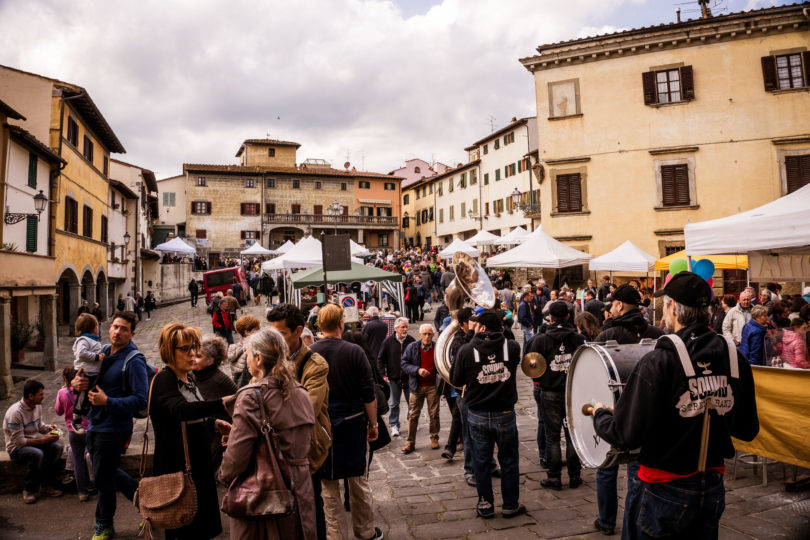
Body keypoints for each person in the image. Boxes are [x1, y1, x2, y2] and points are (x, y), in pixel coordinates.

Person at [592, 271, 758, 539]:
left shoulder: (659, 362)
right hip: (712, 485)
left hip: (662, 487)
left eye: (665, 305)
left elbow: (625, 435)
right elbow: (747, 429)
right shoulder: (733, 357)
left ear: (673, 308)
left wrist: (600, 414)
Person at [218, 328, 317, 539]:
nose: (247, 362)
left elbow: (237, 457)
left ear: (259, 358)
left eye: (248, 355)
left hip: (265, 492)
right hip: (301, 487)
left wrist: (223, 476)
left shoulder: (251, 396)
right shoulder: (301, 392)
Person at [591, 284, 664, 535]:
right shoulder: (657, 333)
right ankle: (636, 520)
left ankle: (607, 521)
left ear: (619, 306)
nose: (610, 309)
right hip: (646, 412)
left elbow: (594, 375)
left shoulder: (606, 336)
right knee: (638, 470)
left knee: (607, 468)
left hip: (613, 410)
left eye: (612, 305)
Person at [71, 311, 148, 540]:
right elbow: (82, 378)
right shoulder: (102, 352)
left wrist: (108, 401)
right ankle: (147, 503)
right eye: (115, 327)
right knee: (104, 472)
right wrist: (76, 383)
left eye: (124, 329)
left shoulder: (134, 360)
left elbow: (142, 400)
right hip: (94, 423)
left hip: (115, 427)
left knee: (102, 477)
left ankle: (104, 525)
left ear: (132, 333)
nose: (117, 332)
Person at [309, 303, 383, 540]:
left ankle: (336, 536)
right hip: (352, 423)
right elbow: (368, 394)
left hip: (322, 426)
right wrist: (373, 425)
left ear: (320, 324)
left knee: (328, 488)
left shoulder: (310, 352)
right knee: (358, 482)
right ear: (341, 323)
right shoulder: (354, 351)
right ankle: (365, 532)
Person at [151, 323, 231, 540]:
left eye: (193, 347)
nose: (192, 353)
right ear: (169, 350)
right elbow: (181, 410)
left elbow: (193, 413)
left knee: (201, 525)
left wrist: (213, 423)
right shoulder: (165, 379)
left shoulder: (187, 378)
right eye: (184, 349)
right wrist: (221, 403)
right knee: (183, 524)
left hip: (197, 463)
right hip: (178, 465)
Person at [266, 303, 331, 540]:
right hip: (276, 450)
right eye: (271, 334)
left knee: (311, 508)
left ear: (298, 331)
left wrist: (267, 414)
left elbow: (306, 411)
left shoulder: (316, 364)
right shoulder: (268, 360)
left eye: (280, 334)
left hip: (308, 449)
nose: (275, 340)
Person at [450, 311, 523, 519]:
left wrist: (471, 337)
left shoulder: (466, 350)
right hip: (505, 413)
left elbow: (456, 379)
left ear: (481, 328)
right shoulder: (512, 346)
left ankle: (485, 504)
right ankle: (510, 505)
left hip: (478, 414)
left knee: (481, 462)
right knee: (509, 460)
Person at [527, 302, 585, 491]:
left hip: (550, 392)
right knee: (572, 436)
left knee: (552, 437)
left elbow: (532, 369)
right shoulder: (578, 339)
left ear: (550, 318)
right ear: (568, 317)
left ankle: (554, 478)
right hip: (572, 392)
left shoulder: (540, 340)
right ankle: (575, 476)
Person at [3, 379, 63, 504]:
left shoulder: (37, 406)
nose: (43, 397)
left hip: (34, 442)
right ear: (31, 396)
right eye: (40, 394)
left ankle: (47, 485)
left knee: (57, 447)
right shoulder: (16, 413)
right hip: (16, 448)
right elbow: (19, 442)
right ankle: (28, 489)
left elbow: (39, 425)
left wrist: (49, 428)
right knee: (36, 454)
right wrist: (42, 440)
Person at [193, 335, 238, 469]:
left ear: (210, 361)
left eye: (198, 356)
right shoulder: (191, 375)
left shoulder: (221, 380)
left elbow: (240, 403)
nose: (193, 359)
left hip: (217, 437)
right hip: (199, 432)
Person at [400, 324, 441, 453]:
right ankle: (410, 442)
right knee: (413, 415)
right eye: (425, 334)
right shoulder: (412, 347)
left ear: (433, 335)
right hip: (416, 386)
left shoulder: (437, 348)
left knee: (434, 414)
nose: (427, 337)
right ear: (420, 335)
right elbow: (404, 363)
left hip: (432, 386)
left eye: (429, 334)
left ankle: (434, 437)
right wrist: (417, 370)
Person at [55, 367, 93, 501]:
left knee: (77, 462)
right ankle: (96, 485)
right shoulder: (85, 390)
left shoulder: (62, 393)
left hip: (73, 431)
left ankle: (82, 492)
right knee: (93, 457)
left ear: (65, 379)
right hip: (89, 429)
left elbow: (58, 411)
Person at [376, 317, 415, 438]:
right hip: (393, 378)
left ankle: (411, 423)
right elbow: (380, 359)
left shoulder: (411, 341)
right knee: (394, 403)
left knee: (412, 403)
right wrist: (383, 374)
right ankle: (394, 425)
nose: (405, 329)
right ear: (396, 328)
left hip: (409, 378)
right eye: (403, 327)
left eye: (406, 327)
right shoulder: (388, 341)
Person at [71, 313, 105, 434]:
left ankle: (85, 412)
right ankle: (76, 418)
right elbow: (81, 353)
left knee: (89, 394)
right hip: (85, 372)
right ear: (93, 328)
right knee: (82, 394)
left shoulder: (93, 340)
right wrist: (97, 357)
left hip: (93, 373)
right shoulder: (83, 340)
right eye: (97, 326)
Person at [227, 315, 262, 386]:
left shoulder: (233, 348)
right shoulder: (251, 350)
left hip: (239, 385)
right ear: (247, 332)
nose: (260, 331)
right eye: (257, 329)